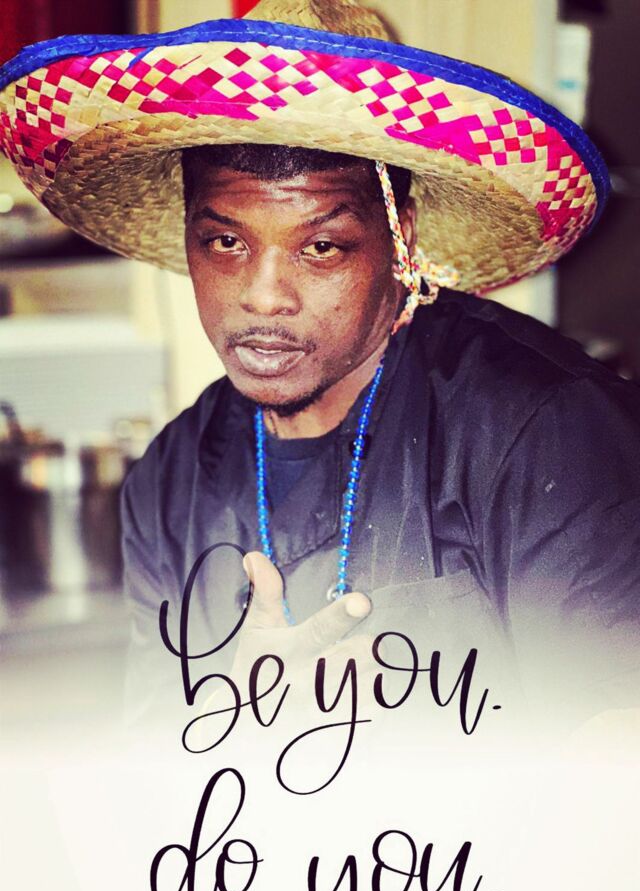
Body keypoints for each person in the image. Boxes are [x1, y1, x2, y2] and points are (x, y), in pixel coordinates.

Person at [2, 0, 639, 727]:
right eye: (226, 243)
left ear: (400, 239)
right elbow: (156, 762)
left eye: (321, 247)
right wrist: (238, 721)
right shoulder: (169, 480)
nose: (264, 296)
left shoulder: (550, 432)